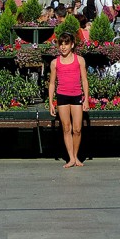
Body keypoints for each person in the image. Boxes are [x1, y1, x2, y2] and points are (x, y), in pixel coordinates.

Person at [48, 32, 90, 168]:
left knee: (77, 129)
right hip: (62, 96)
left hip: (77, 95)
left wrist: (86, 99)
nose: (63, 47)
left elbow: (84, 80)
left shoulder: (80, 60)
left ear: (72, 45)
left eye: (66, 44)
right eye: (61, 44)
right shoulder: (55, 62)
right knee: (66, 128)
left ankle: (76, 155)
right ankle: (71, 158)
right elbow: (52, 83)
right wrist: (50, 102)